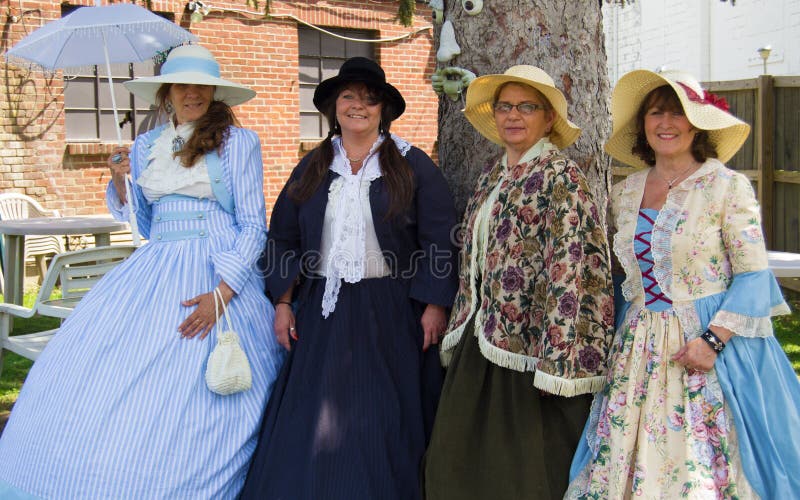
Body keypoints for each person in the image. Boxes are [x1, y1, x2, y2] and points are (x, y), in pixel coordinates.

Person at [0, 44, 285, 498]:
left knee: (203, 388)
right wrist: (120, 182)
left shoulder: (238, 143)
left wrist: (223, 292)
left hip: (217, 271)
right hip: (155, 271)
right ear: (166, 93)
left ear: (214, 92)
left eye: (202, 86)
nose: (192, 93)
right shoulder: (145, 146)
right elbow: (147, 227)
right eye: (182, 84)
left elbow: (252, 225)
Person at [566, 69, 800, 499]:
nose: (666, 123)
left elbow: (753, 274)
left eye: (679, 113)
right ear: (643, 125)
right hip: (638, 345)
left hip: (708, 341)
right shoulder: (626, 190)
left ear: (698, 125)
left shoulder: (727, 187)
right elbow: (628, 277)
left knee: (703, 464)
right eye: (657, 113)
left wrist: (712, 340)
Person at [239, 57, 458, 500]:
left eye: (369, 99)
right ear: (335, 107)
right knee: (314, 420)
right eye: (349, 97)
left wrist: (435, 303)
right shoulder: (314, 166)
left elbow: (441, 235)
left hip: (392, 311)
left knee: (385, 418)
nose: (359, 105)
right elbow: (282, 236)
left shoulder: (411, 164)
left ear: (383, 110)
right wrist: (283, 301)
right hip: (324, 311)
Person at [423, 66, 615, 500]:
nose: (513, 115)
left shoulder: (561, 177)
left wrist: (558, 354)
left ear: (548, 119)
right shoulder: (493, 176)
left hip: (534, 350)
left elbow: (577, 268)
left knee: (524, 469)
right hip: (482, 335)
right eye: (505, 106)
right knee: (454, 458)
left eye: (527, 107)